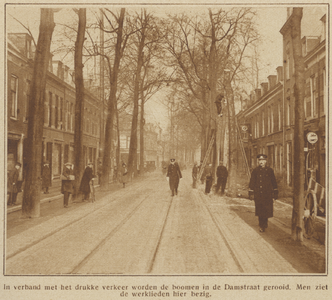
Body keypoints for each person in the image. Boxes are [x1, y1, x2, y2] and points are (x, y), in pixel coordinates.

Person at [249, 154, 278, 232]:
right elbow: (252, 182)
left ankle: (265, 223)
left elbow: (273, 181)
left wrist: (275, 192)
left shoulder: (270, 170)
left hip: (267, 194)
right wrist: (251, 193)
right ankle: (261, 225)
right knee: (260, 210)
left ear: (265, 161)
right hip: (258, 194)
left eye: (263, 160)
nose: (261, 162)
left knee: (266, 210)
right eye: (260, 160)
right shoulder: (255, 171)